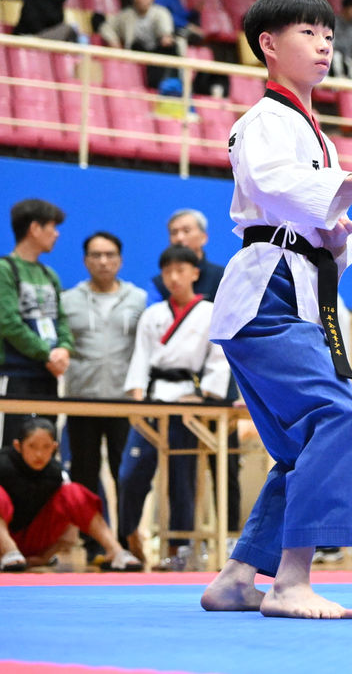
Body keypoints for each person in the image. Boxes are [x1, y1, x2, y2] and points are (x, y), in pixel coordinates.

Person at [200, 0, 352, 619]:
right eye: (308, 33)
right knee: (341, 416)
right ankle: (290, 581)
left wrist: (340, 224)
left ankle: (238, 577)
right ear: (268, 44)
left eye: (328, 35)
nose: (324, 45)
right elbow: (274, 187)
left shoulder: (310, 130)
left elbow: (319, 224)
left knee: (302, 446)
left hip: (293, 288)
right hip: (269, 290)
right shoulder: (264, 120)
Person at [117, 245, 230, 566]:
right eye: (168, 272)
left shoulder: (210, 312)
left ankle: (179, 547)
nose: (174, 278)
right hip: (152, 400)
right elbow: (140, 358)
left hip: (187, 402)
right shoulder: (153, 314)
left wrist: (205, 395)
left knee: (182, 475)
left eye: (181, 270)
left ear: (195, 273)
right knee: (130, 473)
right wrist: (137, 396)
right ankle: (127, 536)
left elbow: (219, 359)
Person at [59, 231, 146, 559]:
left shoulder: (138, 298)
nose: (103, 261)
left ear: (120, 260)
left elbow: (145, 348)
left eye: (110, 255)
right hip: (82, 400)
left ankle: (125, 542)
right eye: (96, 255)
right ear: (85, 261)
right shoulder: (68, 300)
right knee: (84, 473)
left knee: (124, 473)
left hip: (124, 401)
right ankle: (95, 544)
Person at [1, 417, 141, 572]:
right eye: (32, 446)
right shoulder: (3, 464)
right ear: (18, 446)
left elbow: (69, 533)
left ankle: (116, 551)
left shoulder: (56, 474)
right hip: (6, 539)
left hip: (34, 542)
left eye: (46, 447)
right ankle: (9, 551)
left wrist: (46, 556)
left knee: (73, 492)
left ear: (54, 447)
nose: (39, 454)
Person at [1, 199, 73, 447]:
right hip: (14, 374)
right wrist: (46, 354)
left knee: (46, 446)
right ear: (34, 228)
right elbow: (8, 323)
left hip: (47, 376)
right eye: (52, 227)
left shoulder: (49, 274)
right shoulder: (4, 269)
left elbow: (61, 319)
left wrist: (64, 348)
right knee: (11, 448)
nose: (57, 234)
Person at [99, 0, 180, 88]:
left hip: (156, 50)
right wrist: (113, 40)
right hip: (136, 50)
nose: (143, 0)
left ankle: (173, 84)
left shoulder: (161, 12)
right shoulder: (126, 15)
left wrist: (166, 37)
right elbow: (105, 27)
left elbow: (166, 34)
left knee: (172, 48)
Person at [151, 209, 224, 304]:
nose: (179, 238)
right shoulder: (158, 283)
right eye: (174, 232)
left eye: (186, 231)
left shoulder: (221, 277)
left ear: (204, 237)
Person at [13, 0, 77, 42]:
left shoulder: (58, 9)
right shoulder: (32, 0)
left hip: (47, 40)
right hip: (27, 37)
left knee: (72, 32)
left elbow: (56, 28)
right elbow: (31, 22)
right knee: (67, 29)